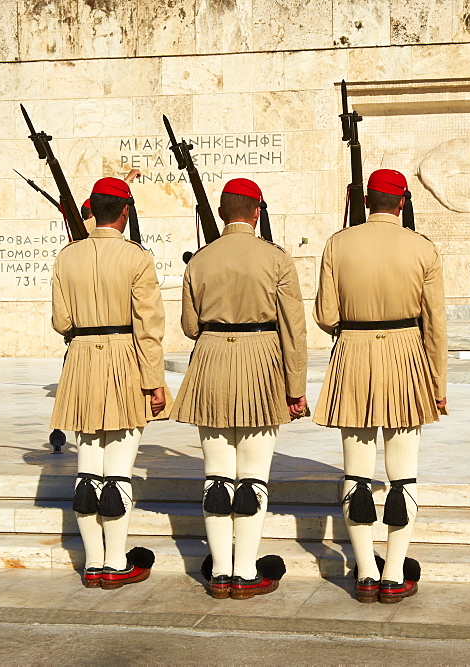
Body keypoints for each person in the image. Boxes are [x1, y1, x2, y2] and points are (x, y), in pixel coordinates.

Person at [313, 168, 447, 604]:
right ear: (403, 202)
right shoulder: (422, 247)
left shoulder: (338, 242)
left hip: (353, 353)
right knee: (402, 476)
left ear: (367, 201)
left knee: (356, 473)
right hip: (407, 354)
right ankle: (393, 574)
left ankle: (366, 572)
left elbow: (325, 314)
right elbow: (435, 324)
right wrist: (437, 382)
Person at [172, 178, 307, 600]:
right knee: (253, 476)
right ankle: (245, 571)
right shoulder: (276, 259)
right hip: (262, 361)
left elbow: (190, 326)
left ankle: (220, 572)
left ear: (221, 212)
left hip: (211, 360)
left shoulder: (200, 260)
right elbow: (294, 329)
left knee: (216, 476)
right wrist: (296, 386)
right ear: (255, 212)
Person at [50, 176, 171, 589]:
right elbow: (149, 326)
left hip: (82, 359)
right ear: (124, 212)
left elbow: (61, 322)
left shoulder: (67, 257)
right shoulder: (137, 258)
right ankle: (116, 563)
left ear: (92, 210)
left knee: (88, 469)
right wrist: (154, 380)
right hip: (124, 359)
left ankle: (93, 564)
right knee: (118, 470)